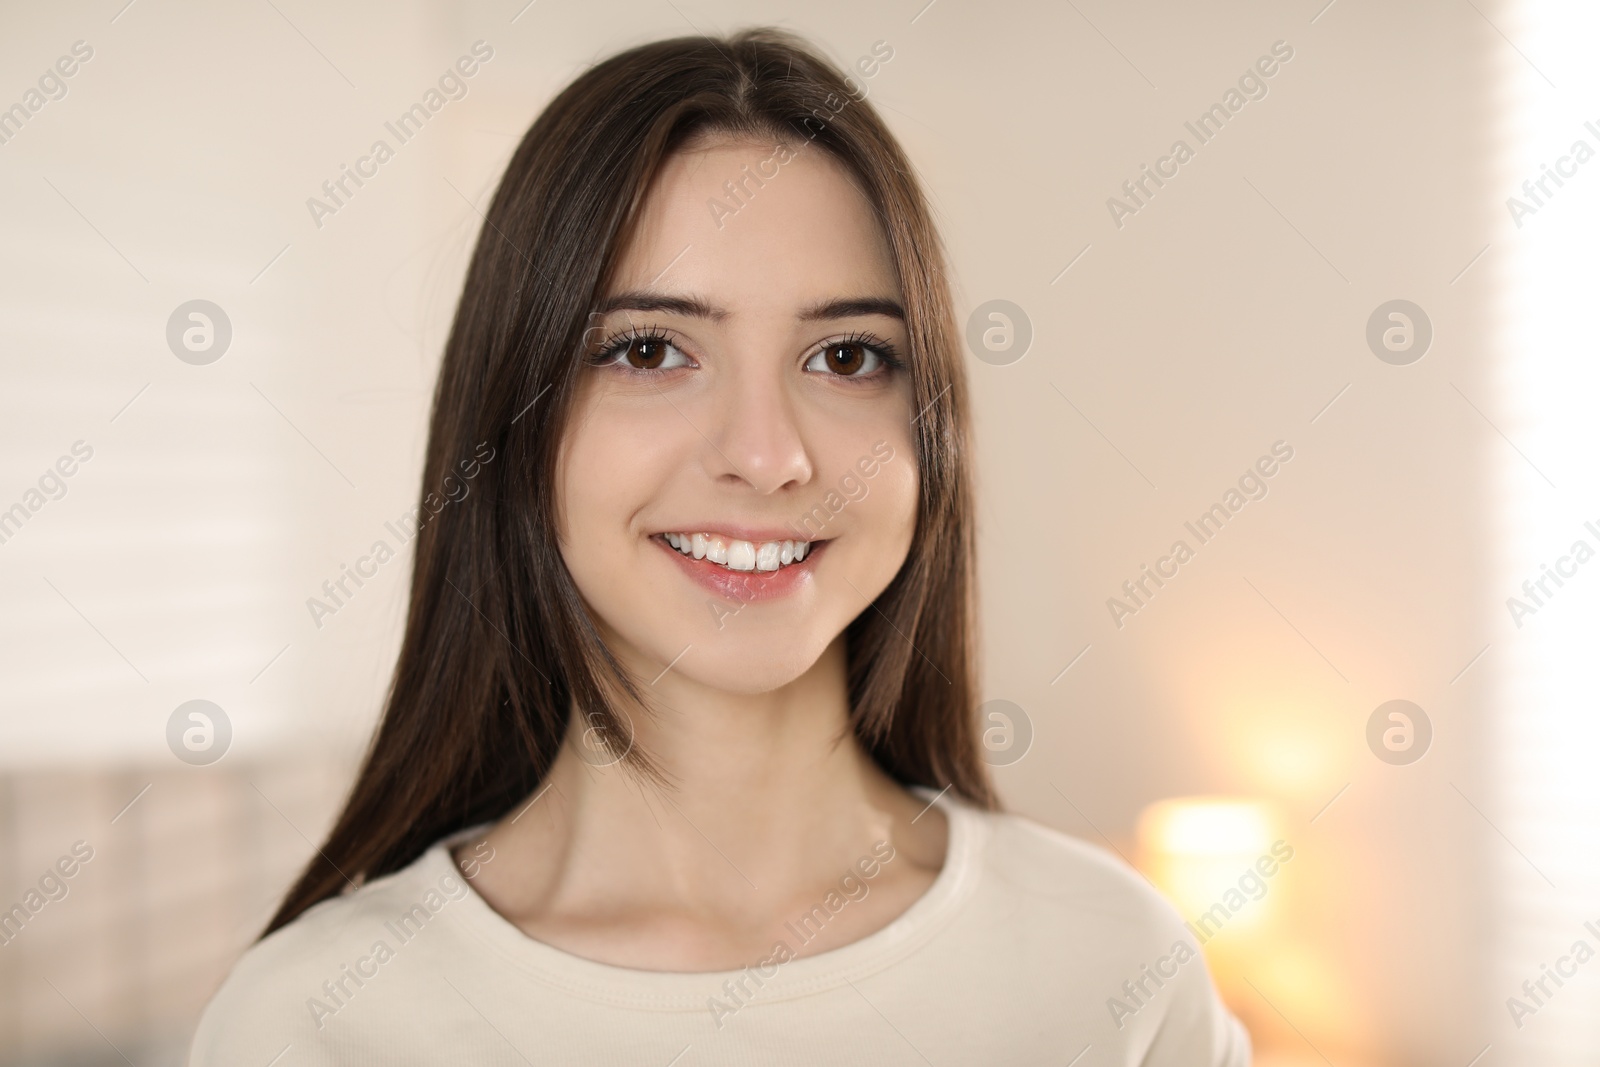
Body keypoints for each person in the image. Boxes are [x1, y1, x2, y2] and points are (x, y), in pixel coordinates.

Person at [189, 27, 1249, 1065]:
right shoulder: (316, 1025)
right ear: (513, 417)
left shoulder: (1115, 968)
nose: (766, 453)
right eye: (650, 349)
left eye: (845, 356)